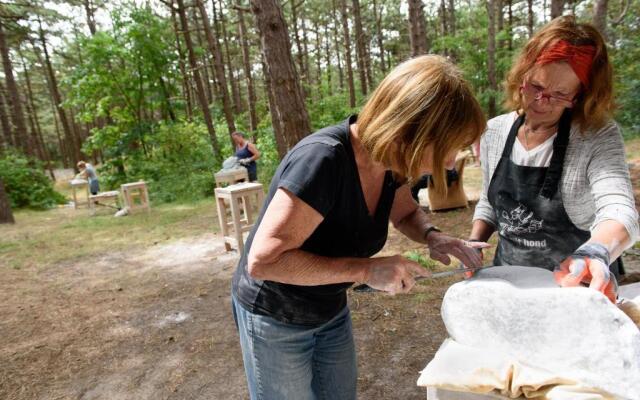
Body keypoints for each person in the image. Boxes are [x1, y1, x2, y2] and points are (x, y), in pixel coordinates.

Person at [231, 55, 489, 400]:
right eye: (447, 148)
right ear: (410, 130)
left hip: (329, 308)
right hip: (277, 316)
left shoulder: (392, 161)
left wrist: (433, 236)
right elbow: (263, 261)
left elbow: (407, 215)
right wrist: (367, 269)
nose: (449, 162)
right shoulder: (323, 161)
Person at [469, 16, 639, 302]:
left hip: (578, 287)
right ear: (522, 75)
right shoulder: (494, 131)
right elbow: (489, 202)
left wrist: (596, 252)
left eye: (559, 94)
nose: (541, 102)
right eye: (535, 86)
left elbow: (619, 209)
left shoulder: (596, 136)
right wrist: (474, 243)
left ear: (580, 96)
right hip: (509, 283)